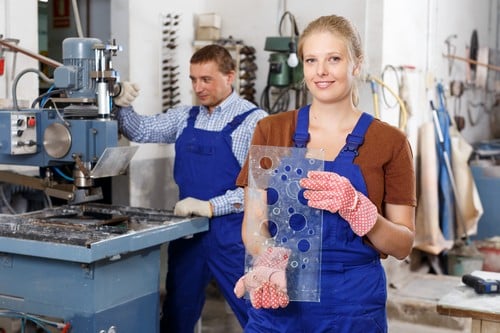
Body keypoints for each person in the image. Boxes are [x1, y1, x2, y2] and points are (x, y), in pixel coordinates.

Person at [233, 15, 416, 332]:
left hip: (351, 303)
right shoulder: (270, 131)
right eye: (311, 60)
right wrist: (268, 257)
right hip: (280, 292)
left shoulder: (390, 143)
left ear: (356, 64)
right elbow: (254, 222)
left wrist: (362, 212)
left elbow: (402, 245)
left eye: (334, 59)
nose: (321, 71)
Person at [113, 44, 268, 332]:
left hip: (235, 234)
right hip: (187, 230)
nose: (198, 87)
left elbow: (261, 191)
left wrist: (211, 207)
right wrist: (122, 103)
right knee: (178, 312)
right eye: (193, 79)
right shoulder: (186, 116)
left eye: (206, 79)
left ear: (229, 76)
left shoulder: (253, 121)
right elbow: (142, 130)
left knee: (256, 311)